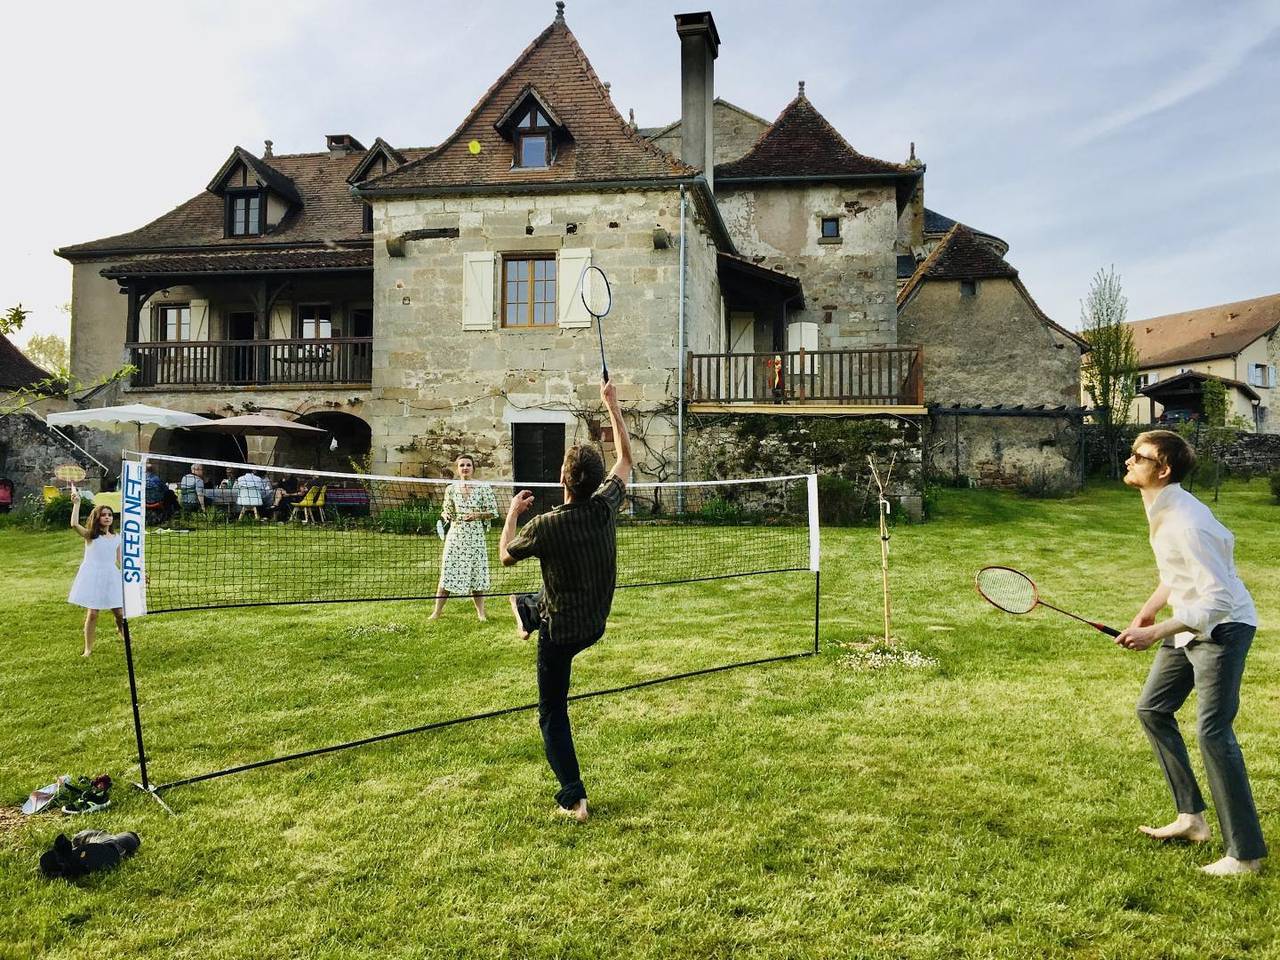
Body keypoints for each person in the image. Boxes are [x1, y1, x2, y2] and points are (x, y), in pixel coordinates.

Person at [1115, 430, 1265, 876]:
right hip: (1189, 624)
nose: (1128, 461)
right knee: (1153, 709)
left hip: (1223, 628)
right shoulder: (1165, 508)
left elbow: (1217, 599)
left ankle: (1245, 855)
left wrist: (1157, 629)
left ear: (1162, 470)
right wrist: (1149, 610)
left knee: (1212, 732)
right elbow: (1177, 571)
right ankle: (1191, 818)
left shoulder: (1187, 520)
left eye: (1138, 457)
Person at [500, 378, 632, 823]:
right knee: (541, 595)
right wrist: (611, 407)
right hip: (594, 622)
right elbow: (627, 459)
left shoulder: (545, 526)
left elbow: (505, 556)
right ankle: (527, 612)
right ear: (595, 481)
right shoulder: (604, 507)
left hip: (561, 633)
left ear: (562, 478)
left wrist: (512, 515)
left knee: (552, 713)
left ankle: (574, 798)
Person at [430, 455, 498, 621]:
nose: (465, 468)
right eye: (462, 465)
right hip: (456, 535)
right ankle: (437, 612)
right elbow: (447, 511)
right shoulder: (451, 489)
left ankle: (481, 614)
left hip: (475, 537)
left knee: (477, 575)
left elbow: (494, 512)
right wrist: (446, 515)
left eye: (468, 465)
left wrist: (477, 515)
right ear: (457, 469)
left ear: (473, 468)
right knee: (447, 572)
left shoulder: (483, 488)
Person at [67, 485, 124, 658]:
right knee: (93, 614)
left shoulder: (117, 538)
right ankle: (88, 649)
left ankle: (121, 632)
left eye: (109, 515)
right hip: (93, 576)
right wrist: (77, 504)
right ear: (97, 518)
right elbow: (74, 524)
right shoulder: (90, 536)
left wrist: (139, 576)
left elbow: (121, 561)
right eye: (103, 515)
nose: (107, 517)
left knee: (120, 614)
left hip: (111, 577)